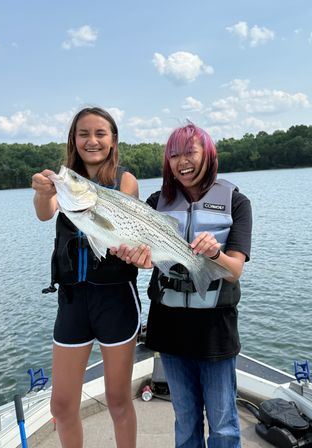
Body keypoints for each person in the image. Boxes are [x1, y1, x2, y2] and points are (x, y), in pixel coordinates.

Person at [111, 123, 252, 448]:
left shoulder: (237, 202)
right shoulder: (154, 202)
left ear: (208, 154)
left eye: (190, 152)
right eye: (174, 154)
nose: (182, 161)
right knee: (185, 422)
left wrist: (215, 252)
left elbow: (233, 272)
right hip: (170, 331)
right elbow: (147, 260)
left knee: (224, 426)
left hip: (215, 332)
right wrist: (137, 257)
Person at [31, 107, 140, 448]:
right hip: (73, 300)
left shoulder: (125, 181)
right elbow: (44, 214)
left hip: (116, 298)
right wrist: (43, 192)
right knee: (61, 406)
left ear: (113, 140)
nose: (91, 141)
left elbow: (131, 233)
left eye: (100, 133)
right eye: (83, 134)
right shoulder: (63, 182)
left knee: (119, 400)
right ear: (73, 140)